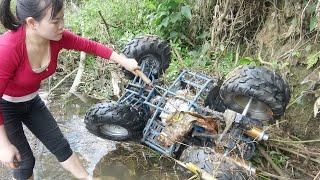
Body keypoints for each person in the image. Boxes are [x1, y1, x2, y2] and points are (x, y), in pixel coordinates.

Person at [0, 0, 140, 179]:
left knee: (61, 146)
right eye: (55, 21)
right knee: (25, 163)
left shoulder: (56, 38)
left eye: (62, 19)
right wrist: (3, 145)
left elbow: (91, 46)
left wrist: (125, 61)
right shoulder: (8, 49)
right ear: (31, 23)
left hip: (32, 101)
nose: (62, 26)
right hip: (5, 106)